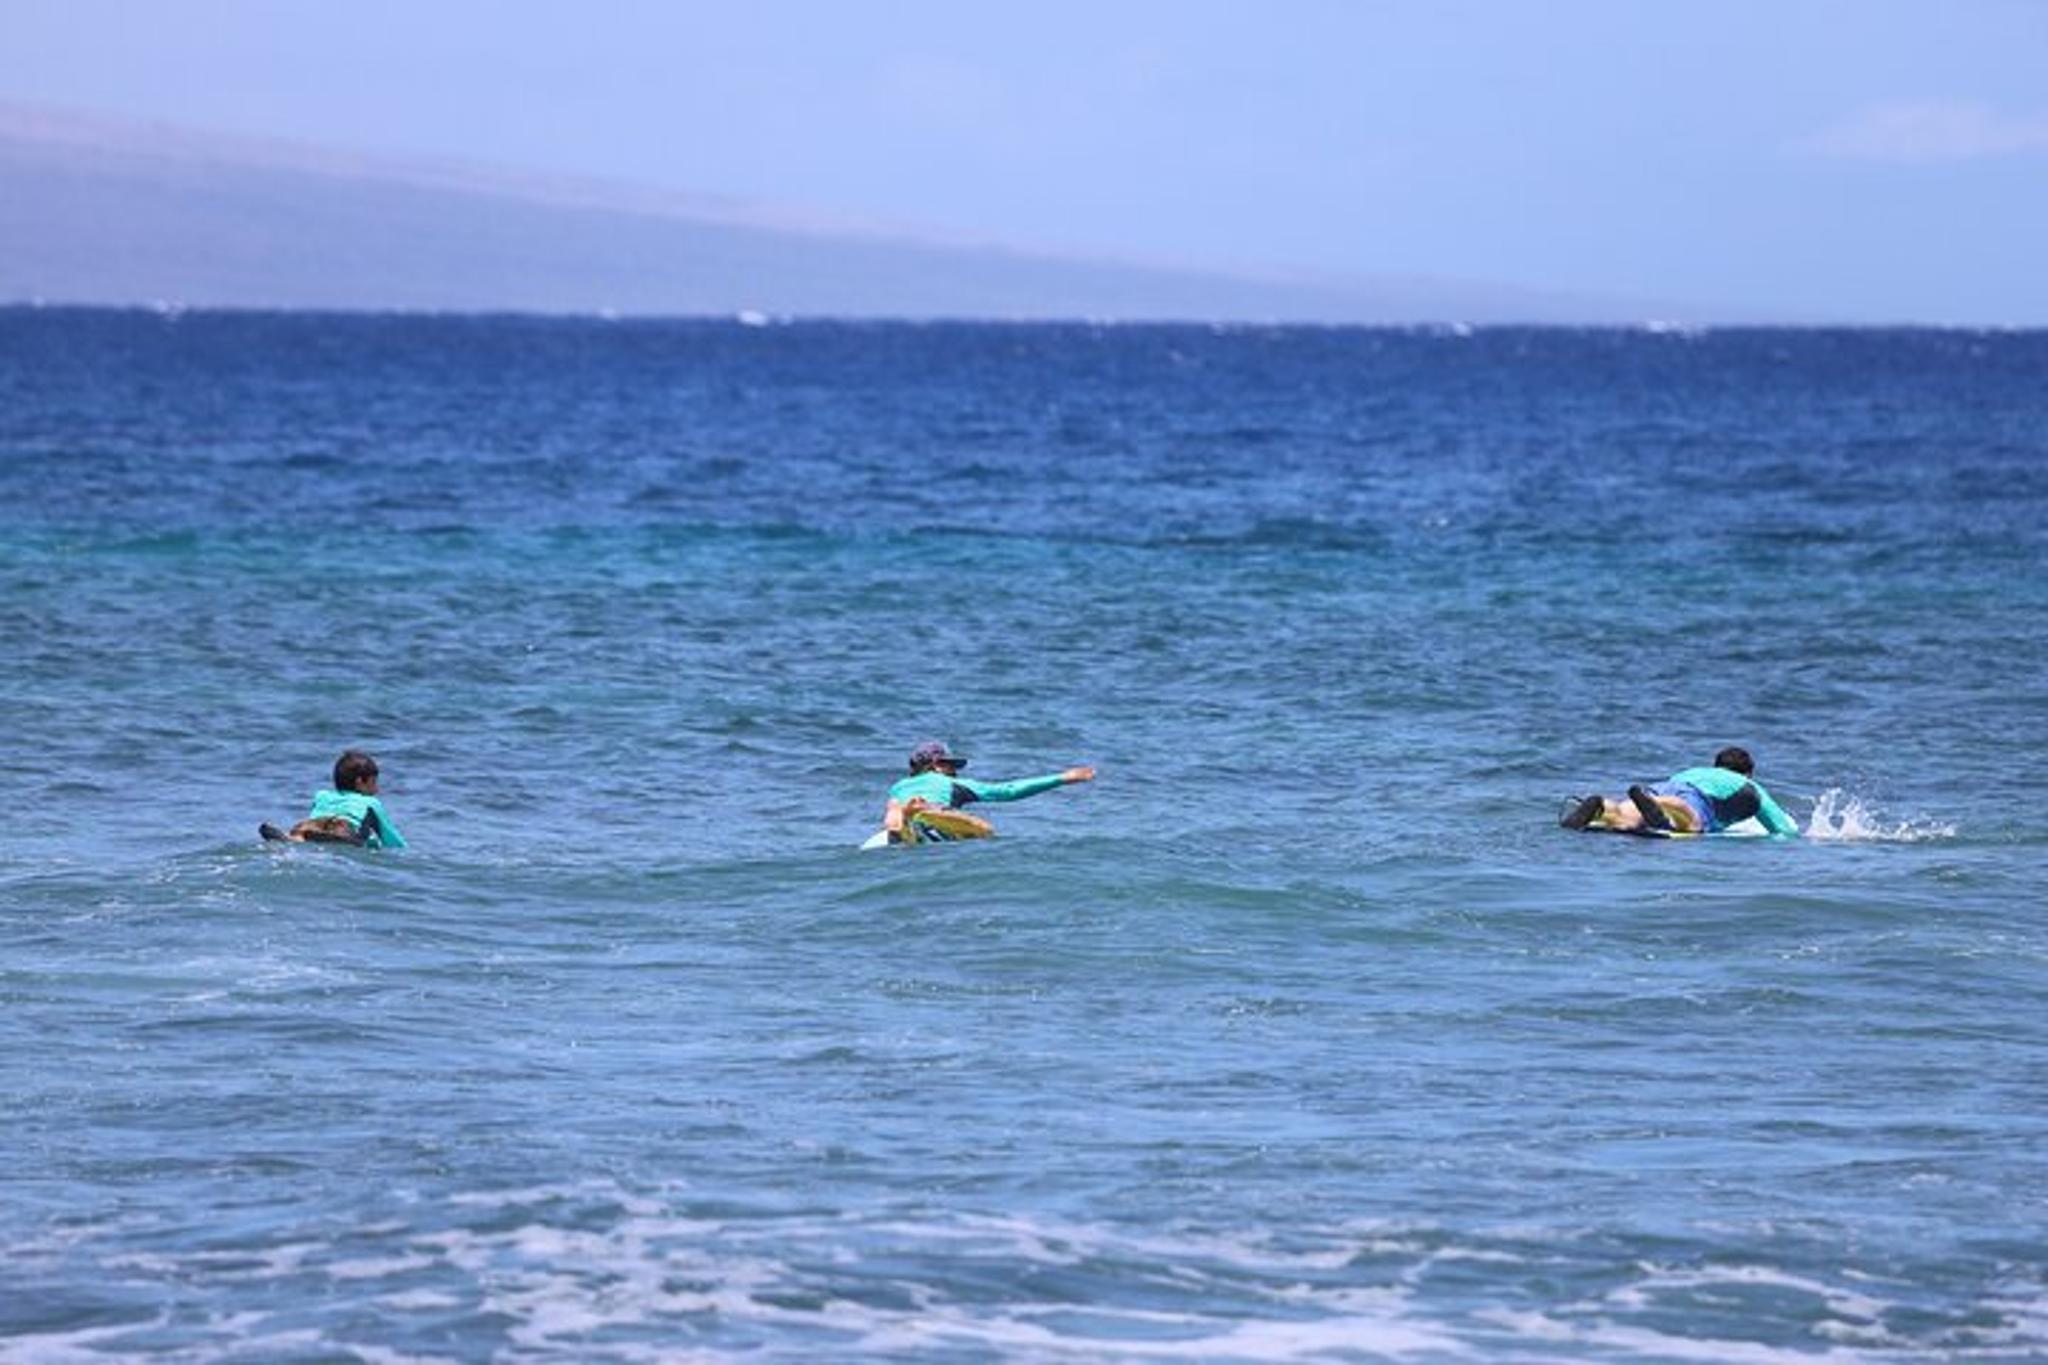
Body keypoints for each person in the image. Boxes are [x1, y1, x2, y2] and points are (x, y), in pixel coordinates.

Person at [881, 740, 1095, 842]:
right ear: (937, 765)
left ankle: (903, 816)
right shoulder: (952, 784)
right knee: (986, 831)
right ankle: (924, 811)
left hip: (904, 816)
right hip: (939, 817)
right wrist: (1062, 778)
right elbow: (1007, 791)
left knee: (899, 812)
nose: (954, 770)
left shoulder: (899, 785)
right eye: (951, 765)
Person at [1560, 746, 1799, 837]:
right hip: (1690, 798)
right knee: (1691, 821)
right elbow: (1783, 829)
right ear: (1748, 773)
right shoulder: (1749, 786)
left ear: (1717, 765)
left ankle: (1602, 805)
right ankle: (1660, 804)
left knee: (1625, 814)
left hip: (1667, 784)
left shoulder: (1696, 770)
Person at [260, 749, 408, 848]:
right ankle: (331, 838)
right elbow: (392, 840)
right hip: (344, 830)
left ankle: (292, 838)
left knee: (307, 833)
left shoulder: (321, 796)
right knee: (346, 834)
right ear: (359, 782)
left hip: (310, 826)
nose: (377, 789)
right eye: (373, 782)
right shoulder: (371, 803)